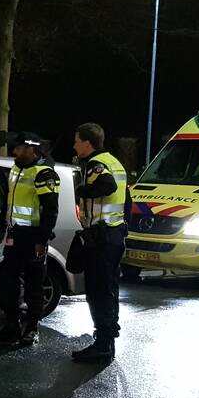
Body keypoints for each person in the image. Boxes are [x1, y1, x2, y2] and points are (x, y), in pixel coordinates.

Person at [0, 131, 60, 347]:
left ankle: (31, 328)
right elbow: (7, 202)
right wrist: (1, 228)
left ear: (31, 149)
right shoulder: (16, 170)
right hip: (14, 235)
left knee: (34, 285)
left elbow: (50, 211)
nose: (14, 151)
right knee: (8, 282)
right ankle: (11, 326)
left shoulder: (44, 174)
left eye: (18, 148)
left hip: (33, 238)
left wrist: (41, 240)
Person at [70, 122, 129, 363]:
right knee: (108, 289)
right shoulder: (116, 163)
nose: (74, 145)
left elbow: (108, 186)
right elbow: (127, 200)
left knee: (97, 291)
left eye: (76, 140)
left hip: (102, 237)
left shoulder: (97, 164)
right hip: (114, 235)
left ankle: (103, 344)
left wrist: (81, 190)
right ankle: (107, 339)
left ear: (87, 142)